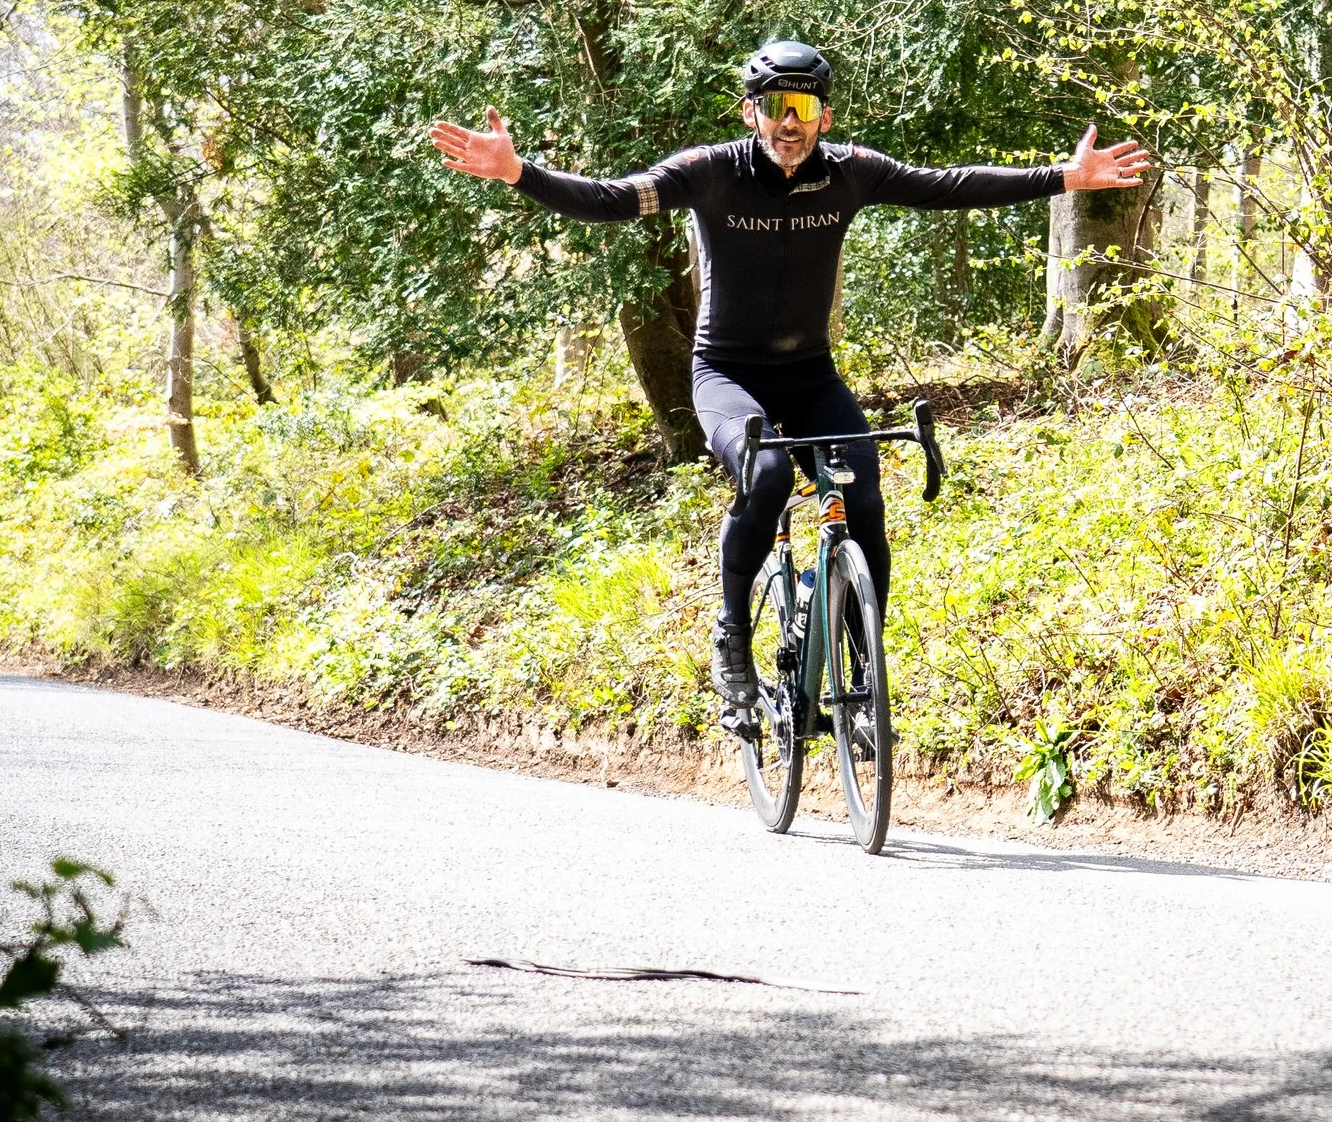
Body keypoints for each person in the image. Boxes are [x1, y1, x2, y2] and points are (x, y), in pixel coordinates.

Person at [428, 39, 1148, 727]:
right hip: (726, 376)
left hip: (809, 375)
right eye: (776, 107)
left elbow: (948, 186)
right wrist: (519, 173)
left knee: (864, 494)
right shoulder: (709, 171)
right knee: (767, 473)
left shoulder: (848, 171)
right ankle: (733, 636)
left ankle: (864, 678)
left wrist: (1066, 175)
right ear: (752, 113)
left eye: (804, 108)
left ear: (825, 118)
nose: (790, 123)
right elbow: (614, 199)